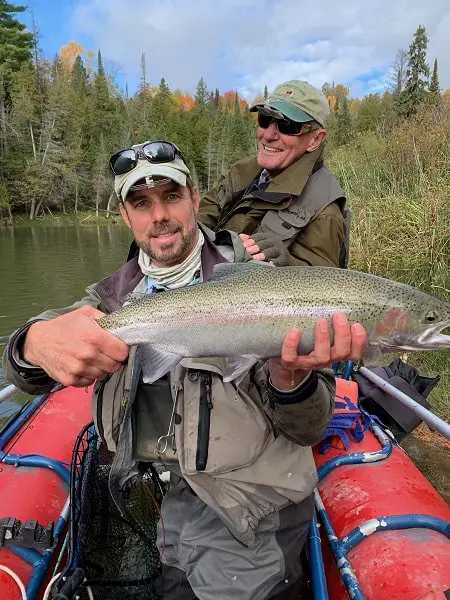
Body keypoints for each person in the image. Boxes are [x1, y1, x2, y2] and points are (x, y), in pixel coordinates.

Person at [3, 140, 367, 600]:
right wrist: (32, 343)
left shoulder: (264, 276)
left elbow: (308, 429)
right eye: (141, 203)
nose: (160, 216)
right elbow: (23, 370)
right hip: (169, 510)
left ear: (195, 199)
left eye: (171, 196)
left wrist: (290, 377)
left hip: (252, 516)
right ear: (125, 215)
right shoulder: (114, 299)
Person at [198, 79, 349, 268]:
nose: (268, 135)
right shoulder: (241, 172)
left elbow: (326, 287)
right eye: (264, 119)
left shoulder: (324, 212)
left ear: (315, 140)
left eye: (286, 125)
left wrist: (289, 265)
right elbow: (202, 217)